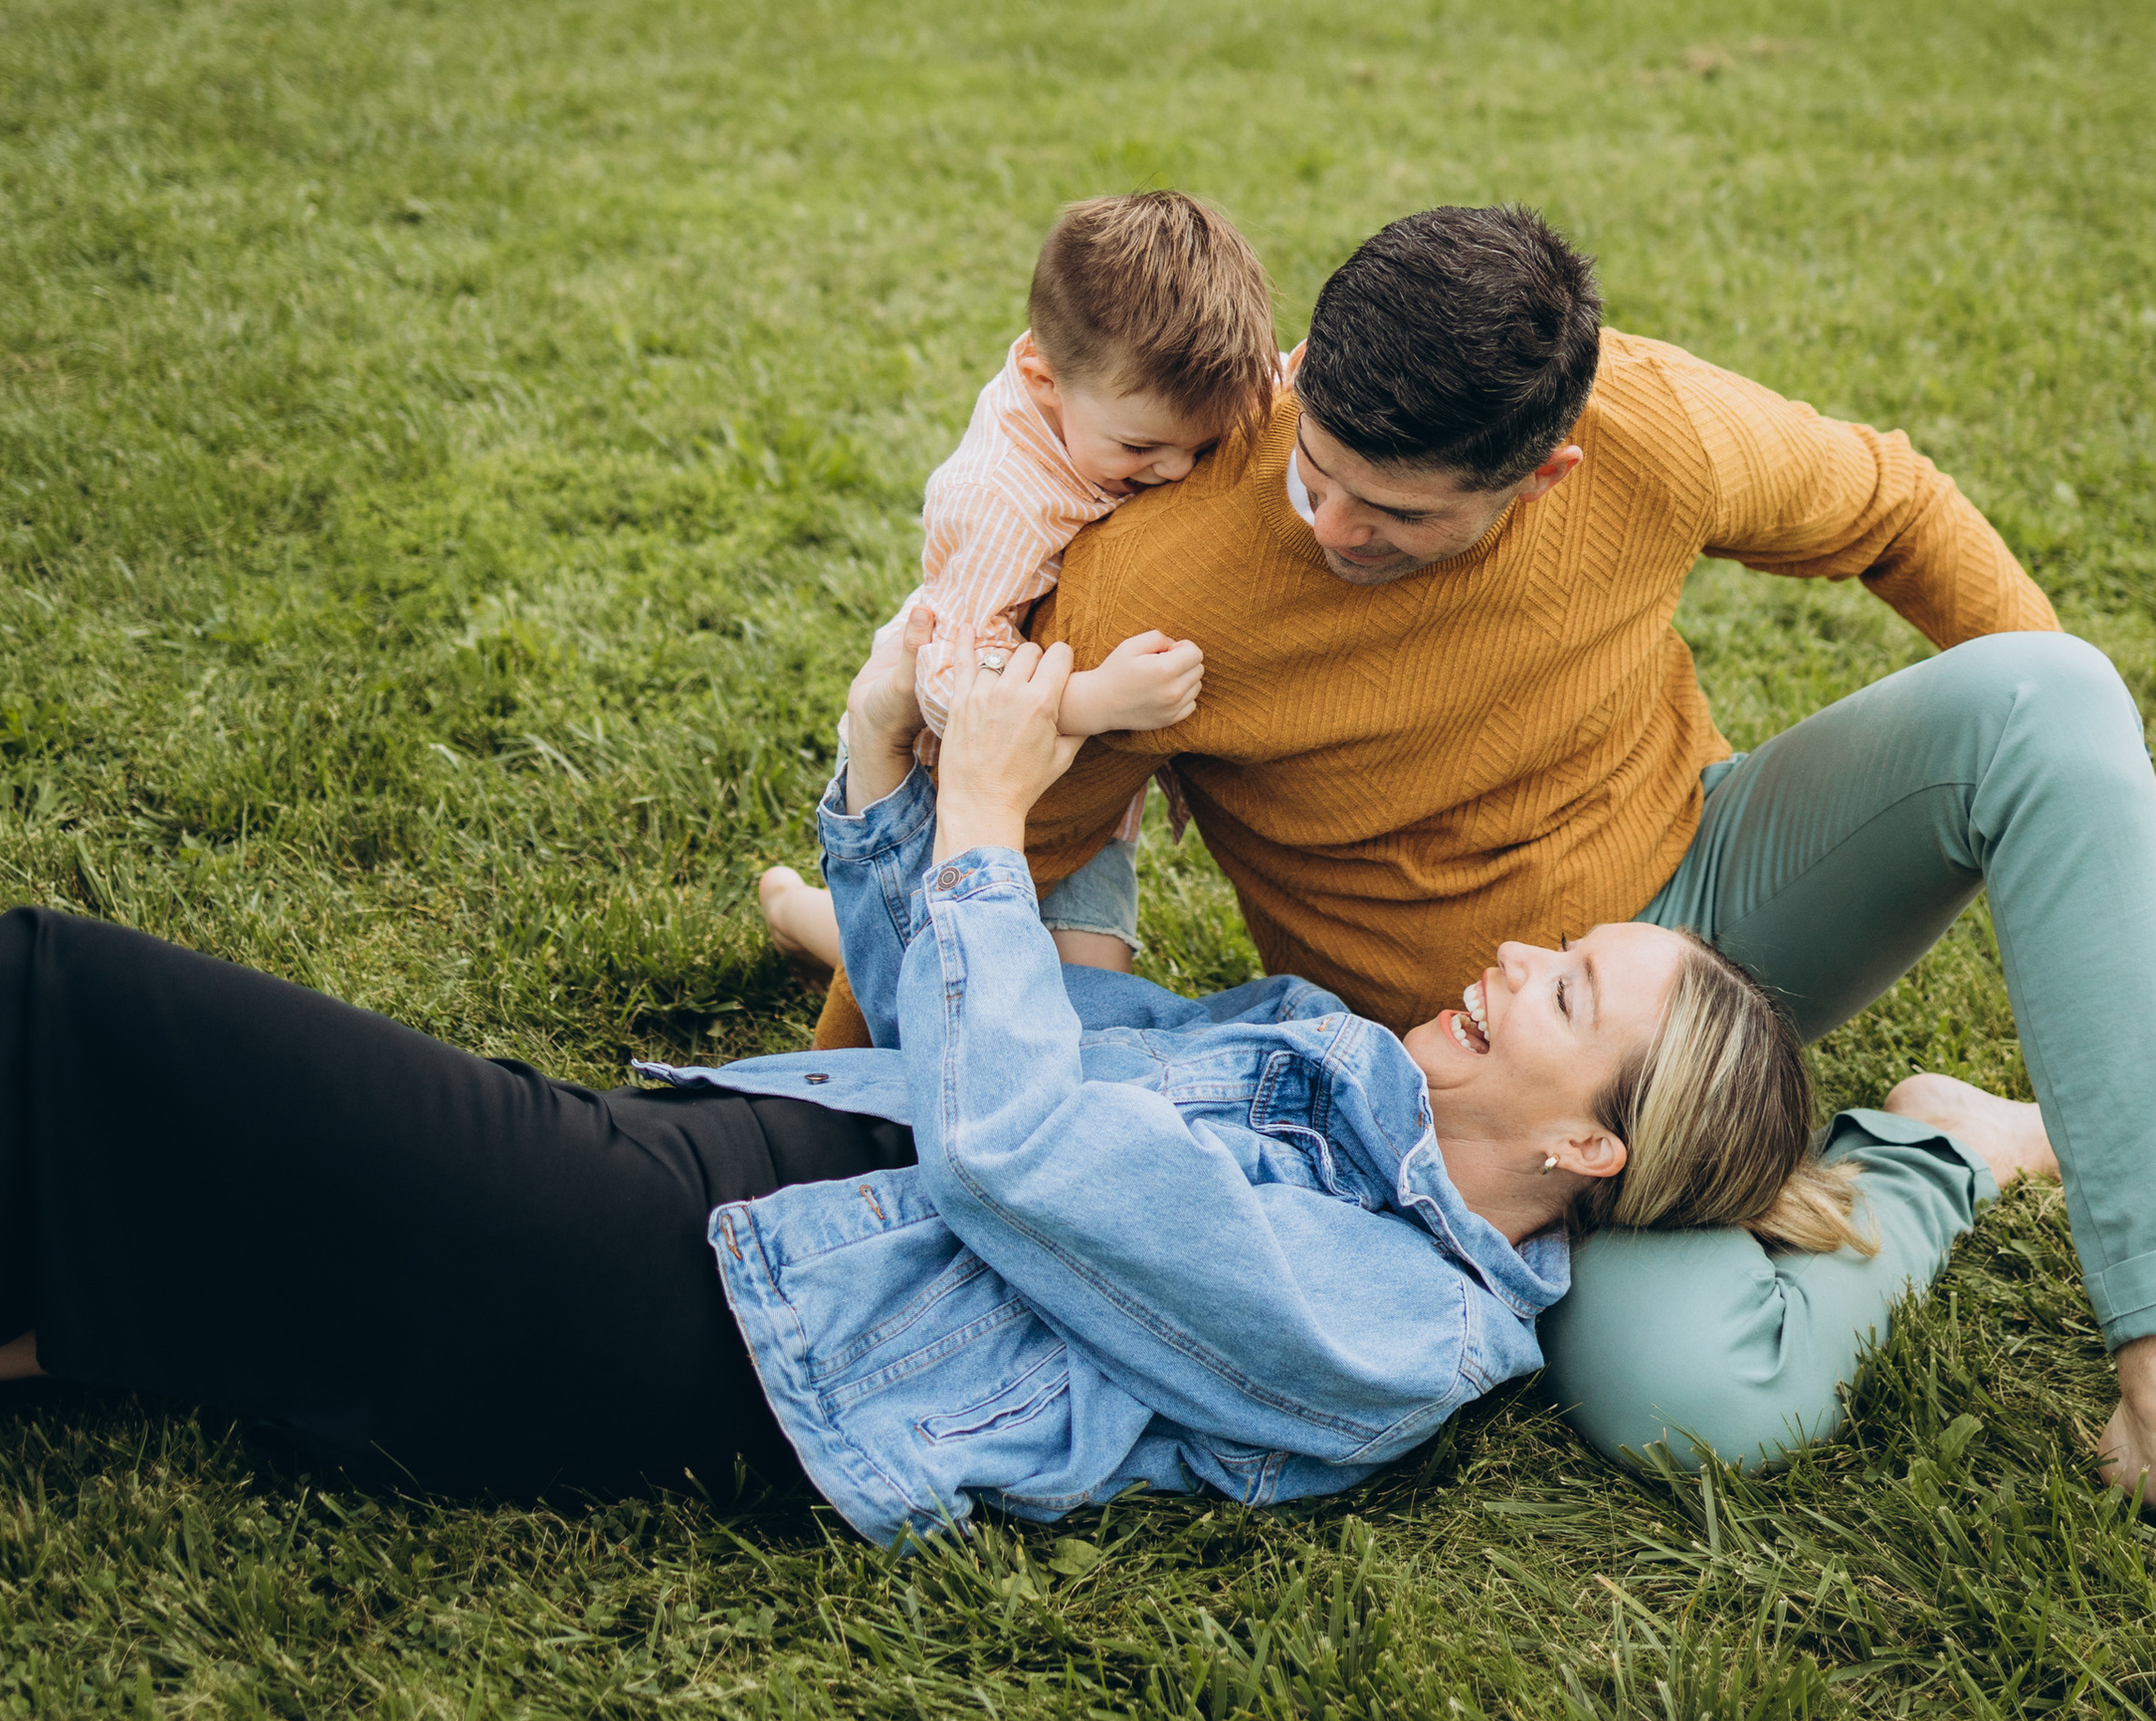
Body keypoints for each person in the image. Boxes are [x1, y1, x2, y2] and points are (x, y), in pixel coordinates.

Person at [805, 204, 2156, 1640]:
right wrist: (834, 1088)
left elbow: (1893, 503)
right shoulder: (1162, 567)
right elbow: (990, 865)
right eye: (1316, 466)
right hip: (1505, 1093)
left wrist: (2115, 783)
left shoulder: (1644, 429)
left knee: (2054, 697)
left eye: (1395, 514)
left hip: (1717, 915)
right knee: (1690, 1396)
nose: (1332, 524)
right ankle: (1943, 1143)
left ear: (1541, 471)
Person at [1, 619, 1976, 1540]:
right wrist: (885, 770)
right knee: (140, 1278)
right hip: (721, 1170)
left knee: (73, 1008)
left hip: (683, 1315)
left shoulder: (1397, 1325)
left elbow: (1019, 1150)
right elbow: (978, 1026)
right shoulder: (1317, 1064)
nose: (1508, 959)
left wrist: (983, 810)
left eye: (1564, 988)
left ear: (1582, 1139)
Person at [762, 191, 1266, 992]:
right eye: (1142, 448)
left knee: (1085, 1003)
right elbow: (947, 677)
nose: (1174, 471)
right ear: (1041, 375)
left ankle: (816, 917)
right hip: (950, 783)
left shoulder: (1122, 395)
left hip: (1080, 794)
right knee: (938, 986)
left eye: (1198, 448)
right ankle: (799, 914)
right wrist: (1095, 702)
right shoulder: (1005, 496)